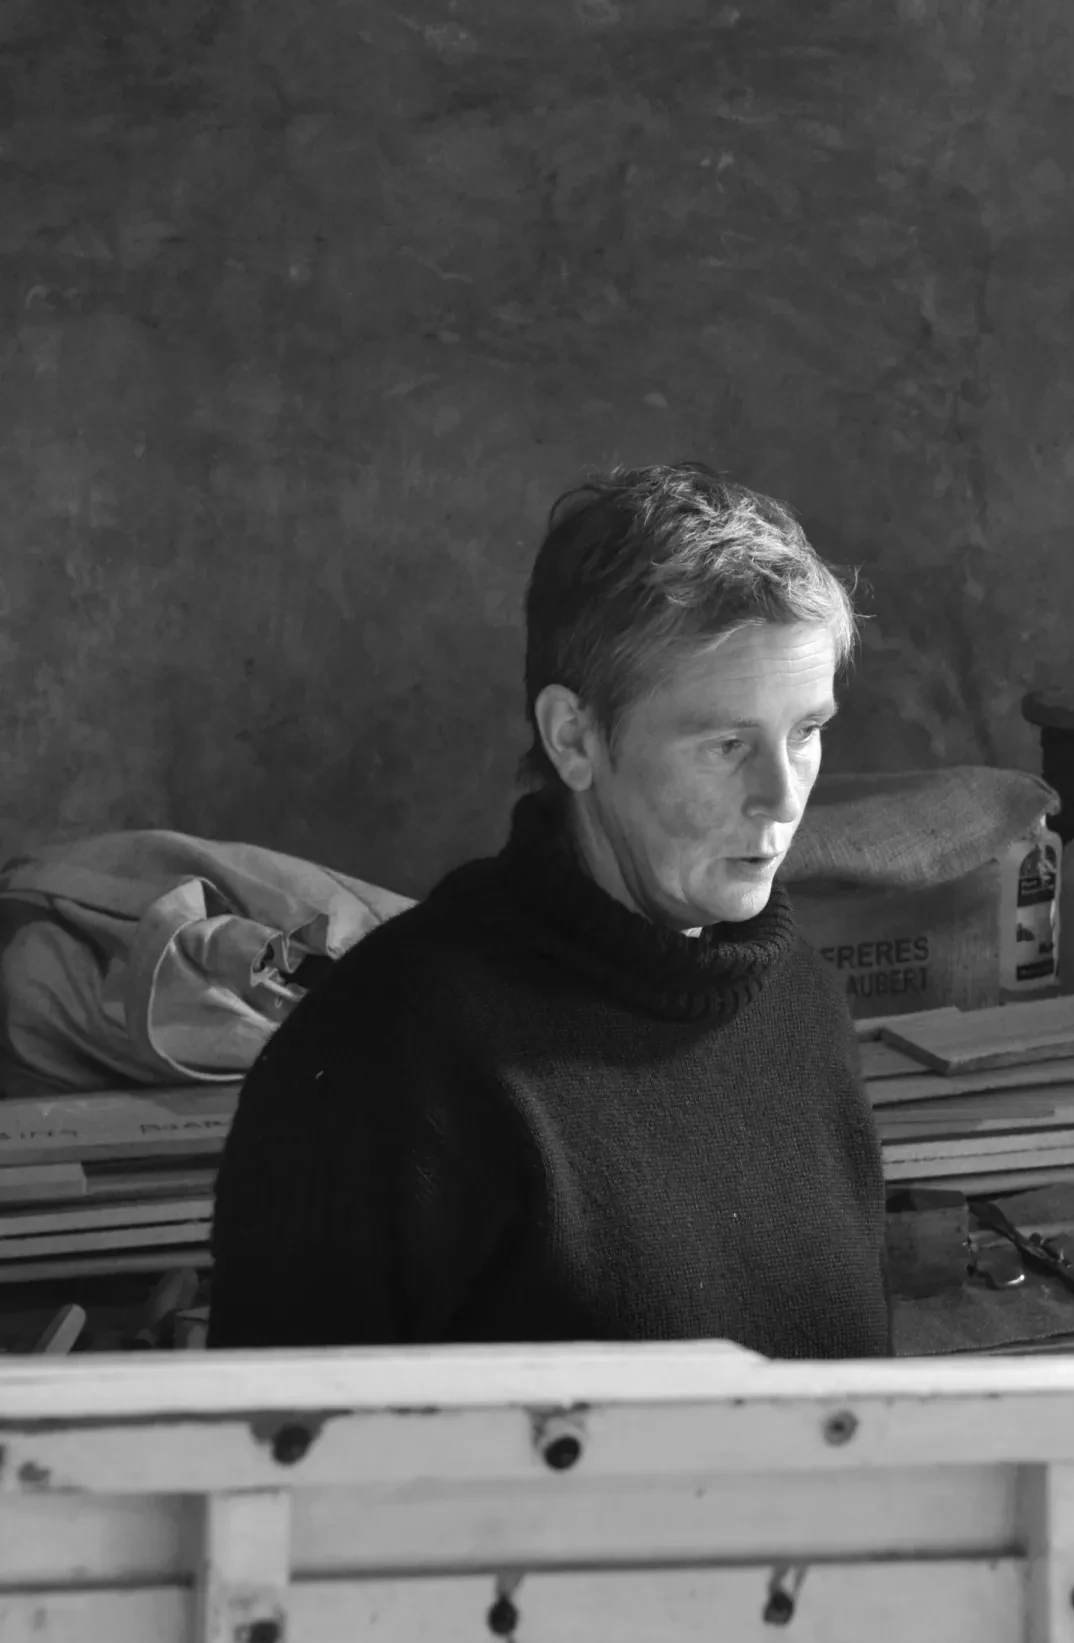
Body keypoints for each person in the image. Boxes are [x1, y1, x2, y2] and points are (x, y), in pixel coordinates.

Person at [206, 461, 891, 1357]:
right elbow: (281, 1475)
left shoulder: (797, 1002)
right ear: (574, 737)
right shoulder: (387, 1058)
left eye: (805, 732)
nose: (781, 796)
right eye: (726, 744)